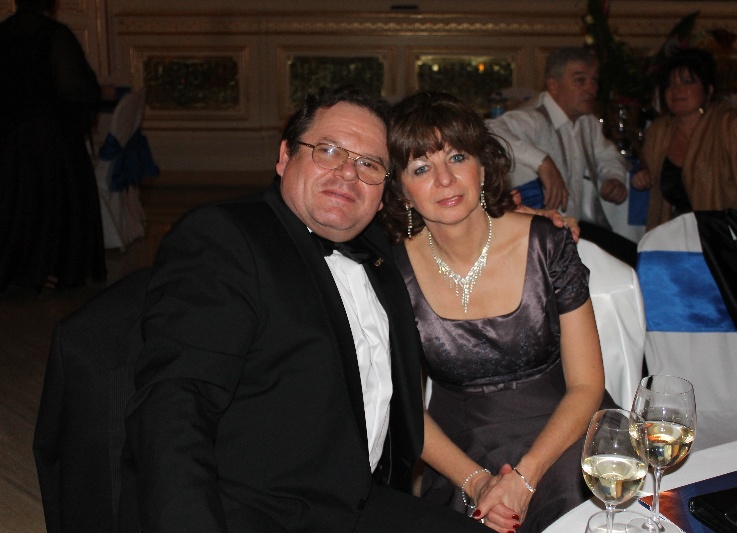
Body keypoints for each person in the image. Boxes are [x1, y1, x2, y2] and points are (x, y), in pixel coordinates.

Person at [121, 86, 491, 533]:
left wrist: (533, 221)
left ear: (384, 191)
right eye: (328, 150)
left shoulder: (379, 249)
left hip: (363, 503)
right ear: (284, 157)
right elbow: (175, 405)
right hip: (252, 514)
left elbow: (454, 228)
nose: (348, 173)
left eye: (369, 164)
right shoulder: (226, 239)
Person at [381, 91, 616, 532]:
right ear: (402, 192)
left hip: (564, 431)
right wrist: (477, 482)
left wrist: (524, 479)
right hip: (461, 449)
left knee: (570, 505)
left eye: (457, 157)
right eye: (421, 168)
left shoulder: (547, 244)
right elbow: (403, 404)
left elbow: (587, 385)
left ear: (483, 168)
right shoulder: (392, 271)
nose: (445, 179)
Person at [487, 47, 636, 266]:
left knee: (635, 258)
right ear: (553, 85)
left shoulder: (587, 122)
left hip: (573, 228)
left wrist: (613, 177)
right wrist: (542, 162)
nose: (591, 89)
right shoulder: (533, 117)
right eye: (580, 80)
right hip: (536, 236)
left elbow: (608, 155)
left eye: (594, 81)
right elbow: (489, 131)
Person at [632, 48, 737, 230]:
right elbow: (647, 163)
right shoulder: (660, 132)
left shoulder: (730, 124)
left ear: (709, 90)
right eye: (670, 84)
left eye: (687, 82)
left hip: (727, 236)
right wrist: (644, 175)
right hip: (676, 233)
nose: (676, 90)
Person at [0, 0, 105, 290]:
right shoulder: (54, 35)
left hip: (6, 142)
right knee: (54, 205)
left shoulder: (3, 34)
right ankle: (51, 269)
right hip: (48, 142)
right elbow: (76, 88)